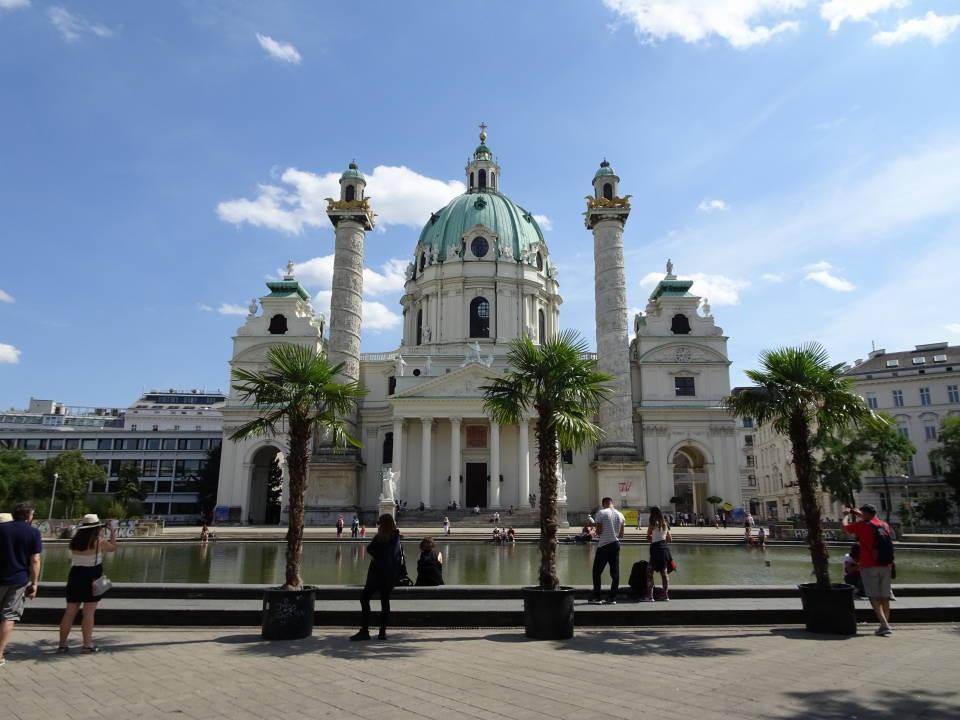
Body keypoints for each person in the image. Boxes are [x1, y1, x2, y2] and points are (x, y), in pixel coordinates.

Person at [58, 514, 118, 653]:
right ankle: (87, 645)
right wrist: (112, 531)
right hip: (92, 577)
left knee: (69, 612)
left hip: (75, 576)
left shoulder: (75, 541)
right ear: (96, 528)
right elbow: (113, 548)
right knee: (88, 613)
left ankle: (62, 645)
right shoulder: (98, 541)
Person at [0, 503, 42, 667]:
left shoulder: (2, 529)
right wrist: (35, 583)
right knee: (9, 616)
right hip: (18, 580)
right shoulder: (33, 532)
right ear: (28, 516)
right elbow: (35, 560)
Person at [843, 504, 895, 636]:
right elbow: (872, 521)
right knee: (885, 597)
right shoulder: (884, 525)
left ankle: (885, 625)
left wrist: (846, 516)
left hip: (869, 565)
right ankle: (884, 624)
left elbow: (845, 528)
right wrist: (859, 514)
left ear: (865, 514)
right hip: (886, 565)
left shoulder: (862, 526)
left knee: (873, 596)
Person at [351, 514, 403, 641]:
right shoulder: (395, 537)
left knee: (364, 598)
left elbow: (370, 549)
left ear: (383, 524)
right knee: (384, 602)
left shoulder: (381, 537)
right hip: (389, 576)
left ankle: (365, 630)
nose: (378, 525)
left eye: (380, 523)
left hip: (377, 574)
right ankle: (382, 632)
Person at [590, 497, 625, 604]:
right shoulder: (620, 515)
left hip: (604, 545)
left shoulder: (601, 513)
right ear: (612, 503)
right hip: (616, 544)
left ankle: (597, 597)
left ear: (603, 504)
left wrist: (595, 531)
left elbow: (599, 531)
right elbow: (621, 535)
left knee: (596, 572)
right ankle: (612, 598)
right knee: (615, 573)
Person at [644, 506, 673, 602]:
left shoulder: (652, 523)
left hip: (656, 549)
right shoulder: (665, 523)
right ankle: (665, 595)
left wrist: (652, 538)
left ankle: (650, 595)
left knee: (649, 571)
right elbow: (670, 539)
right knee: (664, 573)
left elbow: (648, 536)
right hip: (664, 549)